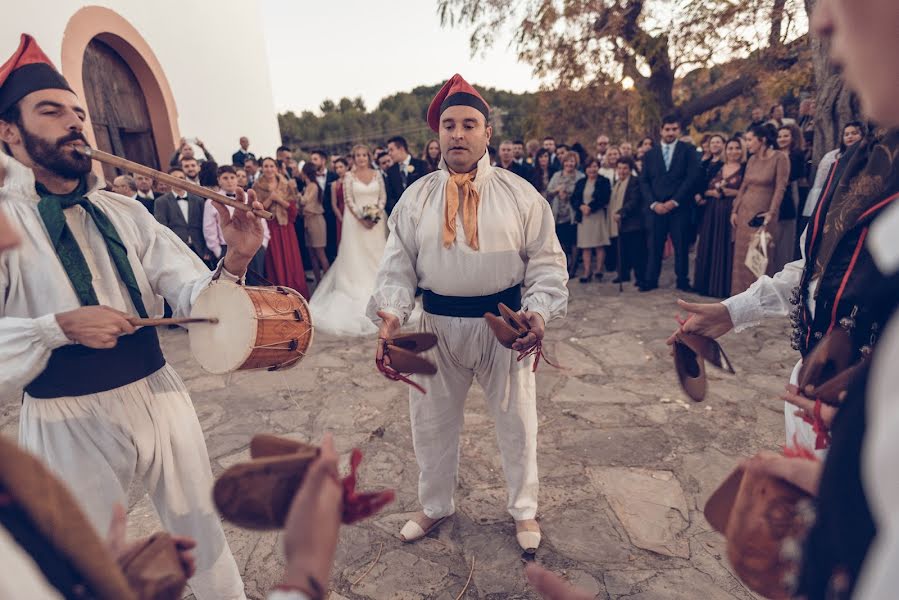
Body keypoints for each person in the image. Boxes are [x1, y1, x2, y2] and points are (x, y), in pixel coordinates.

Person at [0, 34, 257, 599]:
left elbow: (190, 291)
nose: (74, 124)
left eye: (78, 113)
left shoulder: (125, 210)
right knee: (86, 557)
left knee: (201, 531)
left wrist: (234, 258)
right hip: (65, 411)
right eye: (51, 111)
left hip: (159, 390)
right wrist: (56, 327)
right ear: (8, 132)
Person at [367, 74, 568, 554]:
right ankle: (436, 505)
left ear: (487, 134)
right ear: (436, 134)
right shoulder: (415, 198)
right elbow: (397, 269)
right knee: (430, 422)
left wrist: (537, 314)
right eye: (449, 125)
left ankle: (524, 509)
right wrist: (392, 315)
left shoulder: (522, 195)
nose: (458, 134)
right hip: (435, 325)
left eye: (469, 125)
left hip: (506, 326)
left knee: (518, 422)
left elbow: (546, 265)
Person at [310, 144, 388, 336]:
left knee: (377, 254)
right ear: (353, 158)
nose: (361, 158)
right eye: (357, 155)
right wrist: (361, 217)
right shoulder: (349, 177)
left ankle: (381, 288)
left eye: (364, 155)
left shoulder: (377, 174)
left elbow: (382, 196)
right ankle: (358, 286)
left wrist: (376, 213)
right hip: (355, 222)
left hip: (376, 222)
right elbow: (348, 200)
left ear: (369, 156)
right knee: (357, 256)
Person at [638, 115, 701, 292]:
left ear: (679, 130)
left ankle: (682, 280)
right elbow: (644, 181)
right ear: (661, 130)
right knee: (655, 246)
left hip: (679, 208)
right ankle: (651, 280)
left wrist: (675, 201)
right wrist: (654, 204)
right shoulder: (650, 154)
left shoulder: (688, 150)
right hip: (655, 208)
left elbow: (691, 178)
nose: (671, 133)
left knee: (681, 246)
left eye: (674, 129)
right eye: (667, 129)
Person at [730, 124, 790, 295]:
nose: (747, 144)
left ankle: (758, 297)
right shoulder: (751, 159)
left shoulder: (780, 158)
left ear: (762, 140)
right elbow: (743, 186)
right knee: (741, 258)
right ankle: (739, 296)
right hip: (744, 213)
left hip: (763, 215)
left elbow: (780, 188)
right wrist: (735, 210)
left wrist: (771, 212)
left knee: (758, 257)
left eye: (749, 140)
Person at [693, 138, 745, 297]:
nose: (733, 151)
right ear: (725, 150)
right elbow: (704, 188)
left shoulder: (745, 169)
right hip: (712, 211)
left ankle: (723, 287)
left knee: (726, 246)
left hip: (731, 211)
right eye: (730, 148)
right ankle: (706, 286)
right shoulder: (717, 167)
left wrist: (732, 193)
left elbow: (747, 191)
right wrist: (711, 193)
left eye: (737, 148)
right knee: (709, 244)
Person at [253, 157, 309, 298]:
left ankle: (296, 295)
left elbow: (294, 210)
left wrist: (278, 199)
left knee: (291, 261)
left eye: (272, 166)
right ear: (262, 168)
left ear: (277, 168)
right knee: (274, 262)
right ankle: (279, 298)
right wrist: (270, 199)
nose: (269, 169)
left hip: (286, 227)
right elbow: (257, 211)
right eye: (266, 166)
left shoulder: (287, 184)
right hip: (269, 228)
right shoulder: (257, 186)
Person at [203, 165, 269, 280]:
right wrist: (218, 251)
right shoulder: (211, 201)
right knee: (233, 286)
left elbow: (261, 221)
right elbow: (209, 229)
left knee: (256, 284)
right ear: (219, 180)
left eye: (232, 177)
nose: (229, 181)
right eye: (225, 178)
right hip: (227, 249)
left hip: (253, 247)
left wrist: (263, 243)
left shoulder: (248, 197)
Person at [802, 121, 865, 234]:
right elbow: (820, 184)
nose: (850, 136)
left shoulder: (869, 156)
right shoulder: (832, 157)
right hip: (834, 200)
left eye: (854, 133)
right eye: (846, 134)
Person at [154, 167, 210, 262]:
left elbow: (206, 226)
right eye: (175, 178)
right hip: (177, 250)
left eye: (181, 178)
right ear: (168, 180)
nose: (179, 180)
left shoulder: (198, 200)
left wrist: (207, 249)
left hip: (200, 249)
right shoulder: (161, 202)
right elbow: (162, 228)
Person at [571, 157, 611, 282]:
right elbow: (574, 198)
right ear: (585, 169)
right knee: (585, 245)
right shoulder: (581, 182)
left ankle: (599, 270)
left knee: (599, 244)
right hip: (584, 217)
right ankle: (587, 271)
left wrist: (591, 207)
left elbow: (605, 197)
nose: (592, 169)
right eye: (589, 167)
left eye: (594, 166)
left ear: (598, 167)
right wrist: (581, 206)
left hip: (597, 215)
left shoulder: (604, 181)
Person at [774, 123, 807, 268]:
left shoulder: (797, 154)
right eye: (779, 136)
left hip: (790, 192)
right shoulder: (774, 154)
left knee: (787, 232)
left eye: (785, 136)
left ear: (793, 138)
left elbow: (795, 174)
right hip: (774, 192)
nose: (782, 139)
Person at [547, 153, 583, 275]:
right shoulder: (557, 175)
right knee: (561, 241)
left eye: (572, 161)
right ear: (563, 162)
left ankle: (573, 267)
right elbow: (548, 191)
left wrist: (568, 194)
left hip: (572, 213)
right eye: (567, 161)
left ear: (576, 162)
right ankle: (563, 266)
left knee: (573, 241)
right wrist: (557, 191)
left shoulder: (580, 176)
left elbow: (581, 193)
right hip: (558, 213)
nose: (569, 164)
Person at [613, 157, 647, 286]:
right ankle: (623, 274)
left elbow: (634, 201)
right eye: (620, 168)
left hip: (634, 223)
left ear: (630, 169)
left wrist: (621, 212)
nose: (622, 171)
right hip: (620, 223)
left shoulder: (635, 182)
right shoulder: (617, 183)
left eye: (625, 168)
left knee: (637, 252)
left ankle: (640, 278)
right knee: (623, 251)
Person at [298, 161, 330, 284]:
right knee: (312, 255)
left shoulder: (313, 186)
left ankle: (326, 284)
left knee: (320, 253)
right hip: (308, 221)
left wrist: (297, 195)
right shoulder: (308, 186)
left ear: (305, 173)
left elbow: (305, 202)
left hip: (316, 221)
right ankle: (319, 282)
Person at [308, 150, 339, 263]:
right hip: (317, 217)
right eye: (311, 160)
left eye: (315, 159)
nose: (313, 162)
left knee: (333, 243)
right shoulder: (310, 179)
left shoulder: (334, 176)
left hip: (332, 215)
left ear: (323, 160)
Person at [384, 136, 427, 215]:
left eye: (391, 150)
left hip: (421, 213)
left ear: (401, 149)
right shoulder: (390, 171)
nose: (389, 154)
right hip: (400, 216)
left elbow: (426, 190)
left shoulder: (421, 165)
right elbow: (389, 197)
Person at [330, 156, 348, 247]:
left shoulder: (352, 180)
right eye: (336, 168)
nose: (339, 170)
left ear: (346, 167)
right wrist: (340, 218)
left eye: (341, 167)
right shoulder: (334, 184)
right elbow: (334, 204)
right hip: (341, 213)